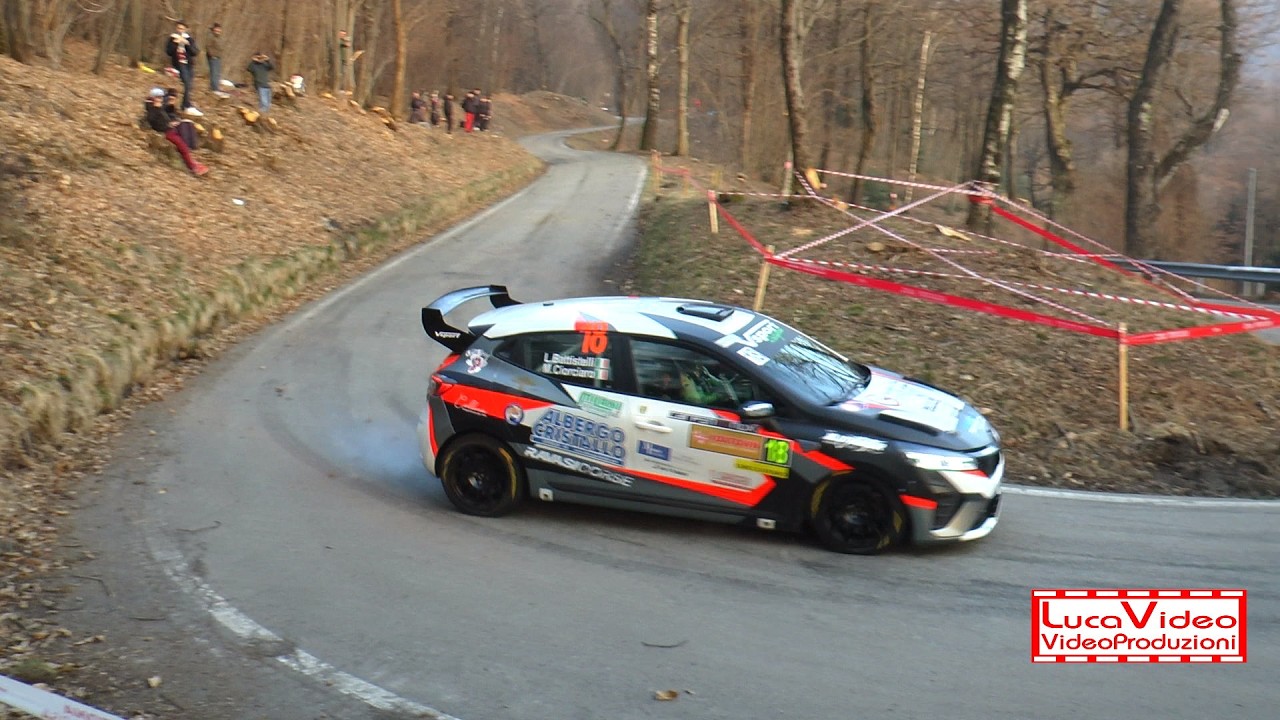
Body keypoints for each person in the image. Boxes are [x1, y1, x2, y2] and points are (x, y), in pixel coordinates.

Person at [145, 88, 207, 176]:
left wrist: (171, 122)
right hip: (167, 132)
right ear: (153, 98)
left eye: (161, 97)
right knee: (183, 147)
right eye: (158, 97)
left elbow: (166, 118)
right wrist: (166, 123)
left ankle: (193, 157)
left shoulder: (160, 107)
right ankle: (193, 167)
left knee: (187, 126)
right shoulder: (152, 110)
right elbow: (154, 122)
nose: (160, 99)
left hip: (170, 128)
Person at [165, 20, 202, 116]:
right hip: (179, 64)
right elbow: (168, 52)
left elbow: (195, 52)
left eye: (182, 29)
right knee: (186, 82)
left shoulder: (189, 39)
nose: (180, 30)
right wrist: (175, 43)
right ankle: (186, 105)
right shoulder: (172, 38)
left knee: (189, 85)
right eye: (179, 28)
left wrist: (187, 44)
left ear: (185, 29)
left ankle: (185, 104)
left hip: (188, 64)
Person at [206, 23, 228, 97]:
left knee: (217, 73)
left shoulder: (218, 37)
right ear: (214, 29)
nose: (218, 31)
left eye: (219, 29)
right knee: (214, 73)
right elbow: (208, 46)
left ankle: (216, 87)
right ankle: (214, 88)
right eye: (217, 29)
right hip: (213, 57)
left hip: (218, 57)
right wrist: (212, 55)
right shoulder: (210, 36)